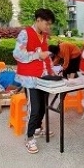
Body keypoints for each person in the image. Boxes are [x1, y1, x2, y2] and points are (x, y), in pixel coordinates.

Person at [13, 8, 56, 154]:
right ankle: (29, 137)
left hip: (43, 77)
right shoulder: (25, 33)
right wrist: (38, 55)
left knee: (43, 106)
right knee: (35, 108)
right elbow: (17, 54)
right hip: (30, 78)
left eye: (50, 25)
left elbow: (46, 57)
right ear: (38, 20)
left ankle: (37, 128)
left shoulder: (44, 36)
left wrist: (52, 72)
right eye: (47, 24)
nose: (48, 27)